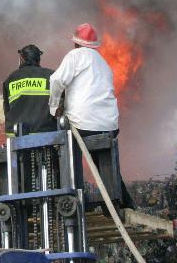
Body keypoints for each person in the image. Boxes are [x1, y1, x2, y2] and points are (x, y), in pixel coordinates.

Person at [49, 23, 134, 210]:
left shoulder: (75, 56)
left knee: (65, 152)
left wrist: (54, 107)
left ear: (76, 44)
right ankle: (120, 203)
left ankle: (74, 199)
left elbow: (56, 80)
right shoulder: (103, 64)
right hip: (109, 125)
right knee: (102, 162)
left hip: (83, 123)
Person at [3, 44, 56, 136]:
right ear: (38, 60)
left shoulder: (10, 79)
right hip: (46, 132)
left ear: (22, 59)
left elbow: (6, 111)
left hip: (16, 135)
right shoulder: (51, 76)